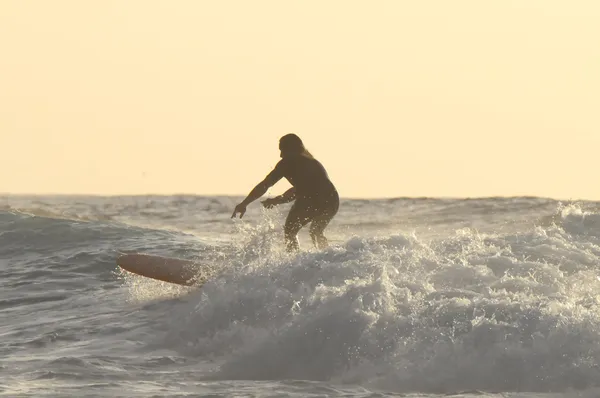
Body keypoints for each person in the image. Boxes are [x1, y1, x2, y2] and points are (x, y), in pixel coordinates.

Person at [231, 133, 339, 252]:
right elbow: (296, 188)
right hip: (332, 199)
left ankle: (297, 261)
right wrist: (276, 200)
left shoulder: (292, 163)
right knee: (316, 232)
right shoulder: (307, 161)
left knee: (291, 231)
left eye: (283, 150)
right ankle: (327, 257)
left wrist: (246, 203)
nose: (281, 155)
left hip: (319, 198)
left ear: (293, 149)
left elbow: (270, 185)